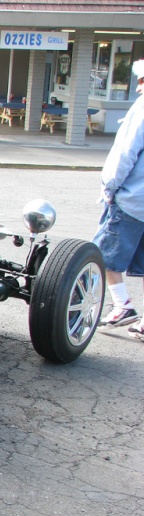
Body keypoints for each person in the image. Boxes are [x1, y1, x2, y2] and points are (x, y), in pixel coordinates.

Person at [94, 58, 144, 340]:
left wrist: (109, 188)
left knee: (103, 255)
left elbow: (125, 153)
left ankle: (122, 305)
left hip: (133, 198)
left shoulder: (141, 109)